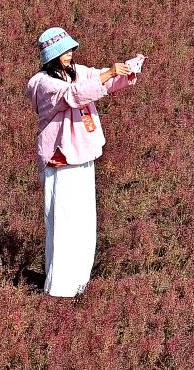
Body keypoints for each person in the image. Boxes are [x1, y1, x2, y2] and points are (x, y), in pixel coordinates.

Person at [24, 26, 143, 298]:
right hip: (61, 157)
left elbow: (99, 82)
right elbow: (74, 95)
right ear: (50, 57)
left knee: (83, 220)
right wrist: (110, 73)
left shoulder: (75, 72)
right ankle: (60, 287)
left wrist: (125, 71)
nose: (69, 55)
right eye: (63, 51)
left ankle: (79, 283)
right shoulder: (44, 83)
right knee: (63, 221)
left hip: (83, 153)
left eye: (70, 50)